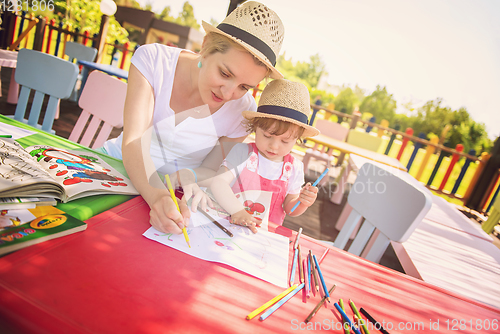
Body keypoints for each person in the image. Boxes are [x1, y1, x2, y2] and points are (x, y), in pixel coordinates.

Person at [102, 2, 284, 235]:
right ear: (206, 46)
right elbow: (134, 141)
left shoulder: (243, 110)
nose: (228, 94)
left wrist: (182, 185)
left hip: (175, 199)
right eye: (225, 73)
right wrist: (157, 195)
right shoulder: (154, 60)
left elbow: (208, 169)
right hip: (116, 172)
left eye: (244, 87)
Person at [209, 79, 320, 233]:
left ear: (297, 139)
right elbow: (218, 183)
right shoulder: (242, 153)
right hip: (226, 228)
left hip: (264, 238)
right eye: (267, 136)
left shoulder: (294, 168)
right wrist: (237, 211)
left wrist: (302, 202)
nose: (274, 146)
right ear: (256, 127)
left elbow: (290, 209)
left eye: (285, 141)